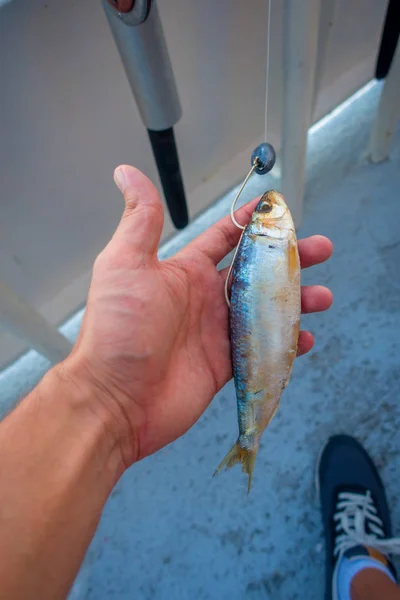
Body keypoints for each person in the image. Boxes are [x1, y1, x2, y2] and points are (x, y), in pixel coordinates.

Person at [0, 165, 397, 600]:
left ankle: (354, 561)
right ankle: (362, 560)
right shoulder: (270, 237)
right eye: (269, 211)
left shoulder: (265, 239)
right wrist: (104, 395)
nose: (274, 209)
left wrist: (102, 398)